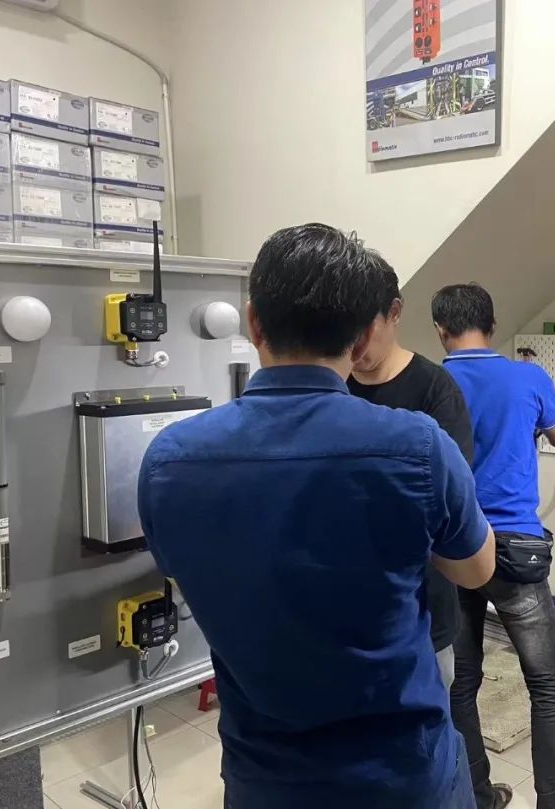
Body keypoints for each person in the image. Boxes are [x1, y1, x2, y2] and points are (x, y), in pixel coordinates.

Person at [137, 224, 496, 809]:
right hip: (402, 778)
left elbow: (184, 575)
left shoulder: (170, 460)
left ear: (254, 323)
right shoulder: (418, 448)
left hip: (264, 780)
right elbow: (477, 570)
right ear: (362, 337)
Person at [432, 283, 555, 809]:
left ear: (441, 330)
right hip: (516, 552)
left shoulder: (431, 383)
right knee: (548, 686)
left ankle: (477, 795)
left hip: (453, 548)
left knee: (461, 683)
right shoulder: (528, 376)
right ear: (492, 326)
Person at [348, 252, 474, 691]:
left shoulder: (435, 389)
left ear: (395, 312)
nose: (356, 344)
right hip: (345, 608)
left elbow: (450, 501)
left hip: (421, 610)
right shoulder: (333, 387)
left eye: (366, 326)